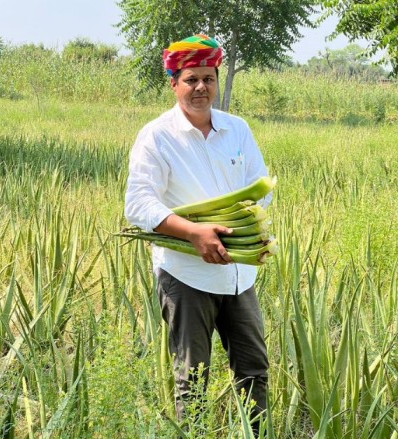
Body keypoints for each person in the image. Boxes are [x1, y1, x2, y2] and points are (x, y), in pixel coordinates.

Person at [124, 34, 270, 431]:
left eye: (208, 78)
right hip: (186, 276)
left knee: (254, 372)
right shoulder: (156, 136)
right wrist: (193, 232)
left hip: (240, 274)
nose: (201, 87)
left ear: (217, 80)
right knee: (193, 380)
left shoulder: (237, 130)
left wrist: (240, 228)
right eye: (191, 79)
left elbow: (260, 187)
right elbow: (138, 203)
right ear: (173, 83)